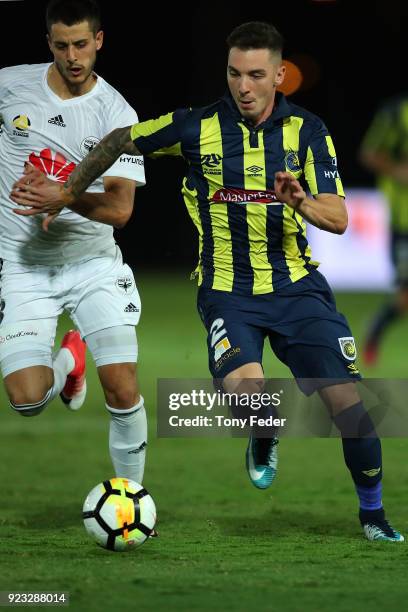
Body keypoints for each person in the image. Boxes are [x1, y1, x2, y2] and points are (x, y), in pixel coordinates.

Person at [11, 21, 403, 542]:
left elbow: (337, 218)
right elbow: (120, 139)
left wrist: (299, 201)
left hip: (299, 291)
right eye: (235, 74)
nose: (243, 86)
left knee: (350, 409)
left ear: (279, 76)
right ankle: (263, 431)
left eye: (256, 75)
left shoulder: (308, 132)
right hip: (228, 293)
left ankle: (374, 517)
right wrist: (68, 191)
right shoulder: (196, 127)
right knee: (250, 395)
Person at [0, 0, 149, 487]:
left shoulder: (117, 113)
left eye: (81, 44)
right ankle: (70, 360)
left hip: (93, 265)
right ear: (49, 44)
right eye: (62, 45)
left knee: (122, 387)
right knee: (26, 400)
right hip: (25, 269)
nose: (73, 56)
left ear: (99, 41)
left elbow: (121, 210)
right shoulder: (10, 85)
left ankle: (131, 499)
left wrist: (61, 196)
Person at [359, 96, 408, 365]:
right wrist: (398, 170)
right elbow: (369, 153)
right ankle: (375, 331)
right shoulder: (396, 113)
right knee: (404, 298)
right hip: (404, 223)